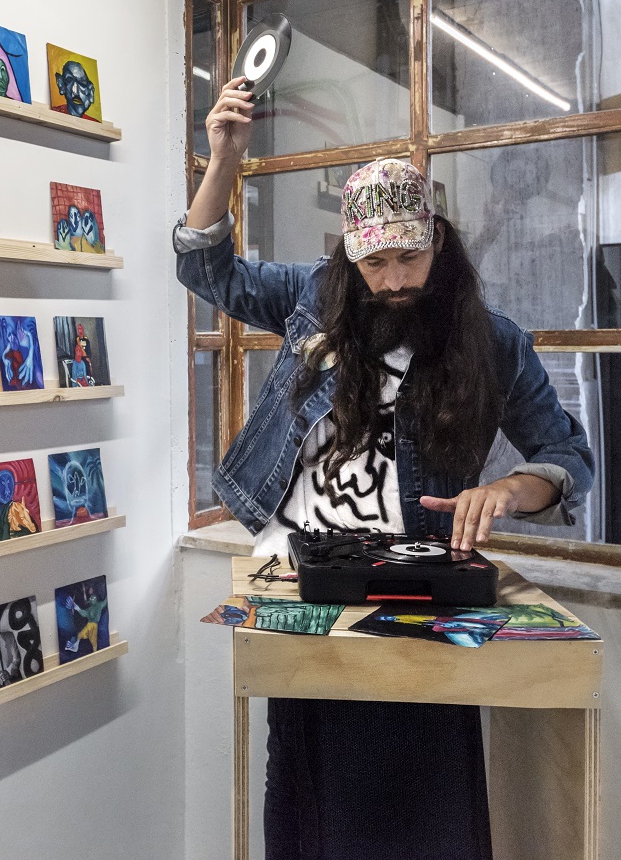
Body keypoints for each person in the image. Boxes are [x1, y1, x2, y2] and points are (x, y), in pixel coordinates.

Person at [176, 77, 594, 860]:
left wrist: (510, 488)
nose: (395, 280)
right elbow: (209, 272)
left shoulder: (493, 343)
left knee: (426, 793)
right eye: (375, 262)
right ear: (350, 255)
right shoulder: (313, 297)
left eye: (410, 257)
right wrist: (223, 159)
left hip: (419, 589)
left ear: (439, 244)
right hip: (303, 581)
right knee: (306, 791)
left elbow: (568, 456)